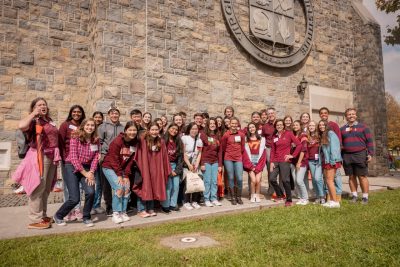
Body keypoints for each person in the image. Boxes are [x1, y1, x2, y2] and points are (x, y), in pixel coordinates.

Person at [13, 97, 60, 229]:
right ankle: (35, 218)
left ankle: (43, 215)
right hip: (40, 156)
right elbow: (21, 126)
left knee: (46, 188)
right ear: (34, 107)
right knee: (38, 187)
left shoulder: (49, 121)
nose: (42, 106)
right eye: (39, 105)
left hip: (51, 157)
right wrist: (34, 113)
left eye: (44, 104)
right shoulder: (33, 121)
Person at [53, 118, 100, 227]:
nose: (90, 127)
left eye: (92, 125)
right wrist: (86, 173)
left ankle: (86, 217)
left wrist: (91, 172)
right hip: (71, 166)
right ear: (83, 126)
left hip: (87, 168)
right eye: (88, 125)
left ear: (95, 127)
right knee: (74, 198)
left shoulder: (96, 139)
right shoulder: (75, 136)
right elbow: (73, 158)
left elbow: (96, 157)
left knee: (91, 192)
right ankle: (58, 215)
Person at [102, 121, 139, 224]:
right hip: (109, 167)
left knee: (126, 188)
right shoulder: (117, 141)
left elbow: (131, 160)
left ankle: (123, 211)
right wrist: (119, 175)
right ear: (125, 130)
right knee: (119, 188)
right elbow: (113, 159)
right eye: (130, 130)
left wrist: (126, 175)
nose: (132, 132)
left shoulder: (134, 143)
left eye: (134, 130)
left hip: (122, 169)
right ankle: (116, 213)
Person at [133, 123, 171, 217]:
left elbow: (164, 157)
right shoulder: (143, 140)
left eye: (156, 130)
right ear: (148, 130)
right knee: (144, 187)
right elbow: (138, 154)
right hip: (145, 168)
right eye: (152, 130)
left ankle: (150, 208)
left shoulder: (160, 141)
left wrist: (166, 169)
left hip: (156, 169)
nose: (154, 132)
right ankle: (141, 209)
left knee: (153, 187)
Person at [340, 108, 374, 204]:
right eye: (349, 114)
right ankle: (354, 195)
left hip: (360, 154)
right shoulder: (342, 129)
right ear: (346, 117)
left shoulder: (363, 127)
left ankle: (365, 197)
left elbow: (369, 142)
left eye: (353, 114)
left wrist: (370, 154)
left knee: (362, 176)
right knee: (351, 176)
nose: (351, 116)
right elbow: (340, 144)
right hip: (347, 155)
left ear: (356, 116)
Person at [58, 105, 86, 221]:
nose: (76, 114)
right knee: (68, 187)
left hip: (81, 160)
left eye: (79, 112)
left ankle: (77, 209)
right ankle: (68, 211)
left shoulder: (83, 126)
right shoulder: (65, 125)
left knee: (79, 187)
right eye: (74, 112)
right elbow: (60, 142)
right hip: (68, 160)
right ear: (71, 113)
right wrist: (63, 158)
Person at [98, 107, 124, 216]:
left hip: (118, 158)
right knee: (106, 184)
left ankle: (118, 205)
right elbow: (99, 142)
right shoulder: (102, 126)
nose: (114, 115)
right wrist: (100, 155)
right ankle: (108, 205)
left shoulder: (122, 128)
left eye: (116, 113)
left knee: (118, 182)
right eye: (112, 113)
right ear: (109, 115)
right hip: (105, 157)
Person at [269, 119, 301, 207]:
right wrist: (271, 162)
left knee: (285, 180)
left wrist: (292, 155)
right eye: (277, 125)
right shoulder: (274, 136)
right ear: (275, 126)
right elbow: (272, 150)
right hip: (276, 160)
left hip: (285, 160)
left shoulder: (289, 133)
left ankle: (289, 200)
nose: (279, 126)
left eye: (280, 125)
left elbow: (299, 145)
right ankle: (280, 195)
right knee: (272, 179)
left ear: (283, 126)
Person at [319, 107, 342, 202]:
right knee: (328, 179)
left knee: (334, 178)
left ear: (328, 114)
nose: (323, 114)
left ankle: (337, 197)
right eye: (322, 113)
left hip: (332, 159)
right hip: (326, 158)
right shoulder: (322, 131)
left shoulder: (332, 128)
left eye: (325, 113)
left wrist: (335, 159)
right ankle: (330, 198)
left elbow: (337, 142)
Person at [221, 117, 245, 205]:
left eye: (236, 123)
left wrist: (238, 154)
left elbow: (242, 147)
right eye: (232, 123)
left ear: (238, 124)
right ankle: (233, 197)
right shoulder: (226, 135)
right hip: (228, 159)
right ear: (229, 124)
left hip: (238, 158)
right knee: (230, 178)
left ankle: (238, 196)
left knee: (239, 178)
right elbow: (223, 147)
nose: (234, 125)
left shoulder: (241, 135)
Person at [161, 124, 184, 213]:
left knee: (176, 186)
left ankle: (173, 204)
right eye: (172, 128)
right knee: (168, 186)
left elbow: (180, 157)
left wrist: (177, 170)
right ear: (168, 128)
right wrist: (168, 169)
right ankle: (165, 205)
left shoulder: (178, 141)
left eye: (176, 129)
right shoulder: (163, 140)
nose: (174, 131)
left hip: (175, 166)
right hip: (166, 166)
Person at [200, 118, 223, 207]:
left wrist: (220, 164)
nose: (212, 125)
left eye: (214, 123)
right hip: (206, 161)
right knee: (207, 181)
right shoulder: (203, 134)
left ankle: (213, 198)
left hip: (215, 162)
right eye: (211, 123)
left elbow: (220, 151)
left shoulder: (218, 136)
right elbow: (201, 150)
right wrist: (202, 163)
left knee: (214, 181)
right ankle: (206, 199)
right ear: (208, 125)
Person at [181, 122, 204, 210]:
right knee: (188, 182)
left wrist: (196, 165)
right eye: (192, 129)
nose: (194, 131)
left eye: (196, 129)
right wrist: (189, 165)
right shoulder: (184, 138)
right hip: (186, 164)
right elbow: (183, 153)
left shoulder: (199, 140)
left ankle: (195, 201)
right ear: (189, 129)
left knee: (197, 180)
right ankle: (186, 201)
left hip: (195, 164)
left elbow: (199, 153)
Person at [243, 122, 267, 203]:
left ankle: (257, 195)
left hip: (259, 162)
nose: (251, 129)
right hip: (250, 162)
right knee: (253, 180)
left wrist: (259, 166)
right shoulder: (246, 139)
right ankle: (252, 195)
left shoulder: (262, 139)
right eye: (250, 128)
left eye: (253, 127)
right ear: (248, 129)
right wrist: (250, 166)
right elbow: (245, 154)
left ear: (255, 128)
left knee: (258, 180)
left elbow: (263, 154)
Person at [291, 120, 309, 205]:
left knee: (299, 180)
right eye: (294, 125)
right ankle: (301, 197)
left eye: (297, 125)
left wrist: (299, 162)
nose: (295, 126)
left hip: (301, 161)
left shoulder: (303, 135)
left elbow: (303, 149)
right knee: (295, 180)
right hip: (293, 161)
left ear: (300, 126)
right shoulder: (294, 135)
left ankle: (305, 198)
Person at [307, 121, 325, 204]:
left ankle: (322, 196)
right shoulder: (307, 136)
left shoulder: (319, 136)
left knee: (318, 178)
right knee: (314, 180)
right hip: (310, 160)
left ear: (316, 126)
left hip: (318, 160)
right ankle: (317, 197)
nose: (311, 127)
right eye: (310, 125)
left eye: (313, 125)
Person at [91, 111, 105, 214]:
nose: (98, 119)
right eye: (96, 117)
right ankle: (90, 206)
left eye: (100, 117)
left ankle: (97, 205)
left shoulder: (103, 128)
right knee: (91, 184)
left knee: (99, 183)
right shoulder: (89, 127)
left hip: (99, 159)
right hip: (89, 160)